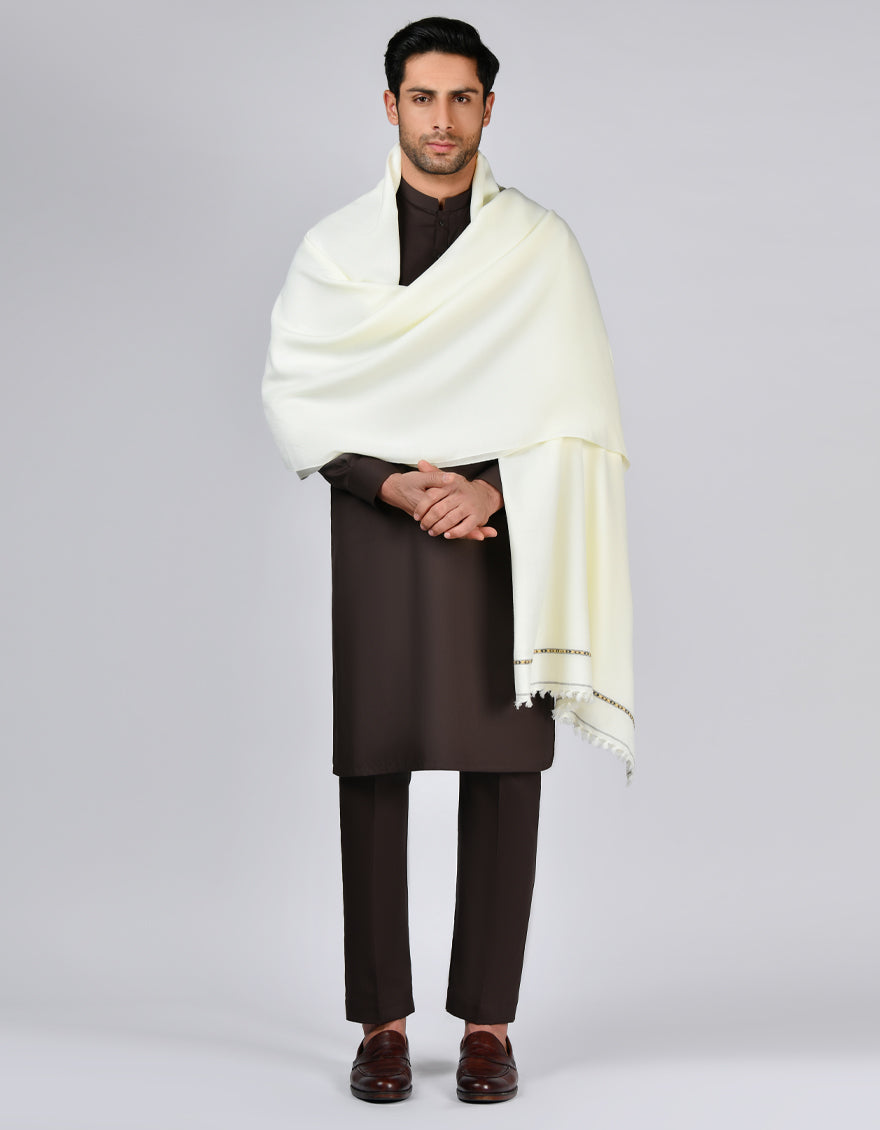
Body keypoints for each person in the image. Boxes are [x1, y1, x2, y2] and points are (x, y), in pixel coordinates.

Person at [261, 16, 634, 1104]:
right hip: (381, 518)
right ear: (391, 106)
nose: (440, 118)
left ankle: (488, 1025)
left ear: (487, 108)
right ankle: (380, 1023)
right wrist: (395, 485)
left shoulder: (538, 246)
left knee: (504, 769)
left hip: (499, 529)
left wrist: (490, 489)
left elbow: (580, 411)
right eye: (421, 97)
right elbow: (298, 395)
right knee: (373, 764)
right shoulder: (335, 249)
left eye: (460, 97)